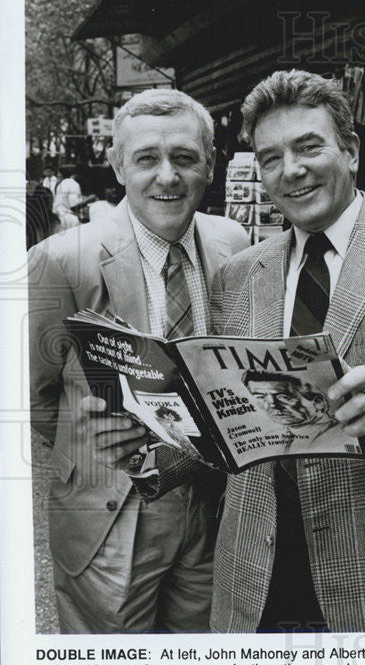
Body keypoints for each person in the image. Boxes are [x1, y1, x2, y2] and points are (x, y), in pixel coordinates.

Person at [106, 69, 365, 632]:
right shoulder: (240, 275)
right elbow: (229, 417)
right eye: (270, 157)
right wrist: (150, 446)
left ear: (351, 150)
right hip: (258, 573)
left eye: (308, 147)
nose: (291, 170)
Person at [28, 89, 249, 633]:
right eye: (147, 158)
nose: (167, 177)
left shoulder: (232, 243)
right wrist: (90, 448)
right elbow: (31, 393)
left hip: (211, 505)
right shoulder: (62, 260)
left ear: (211, 164)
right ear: (118, 165)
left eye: (185, 158)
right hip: (112, 515)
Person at [241, 370, 341, 453]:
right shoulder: (271, 439)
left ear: (319, 403)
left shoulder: (336, 434)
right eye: (261, 397)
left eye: (284, 397)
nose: (273, 404)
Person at [52, 164, 84, 231]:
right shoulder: (74, 184)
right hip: (68, 216)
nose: (58, 175)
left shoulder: (61, 184)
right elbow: (74, 205)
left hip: (57, 215)